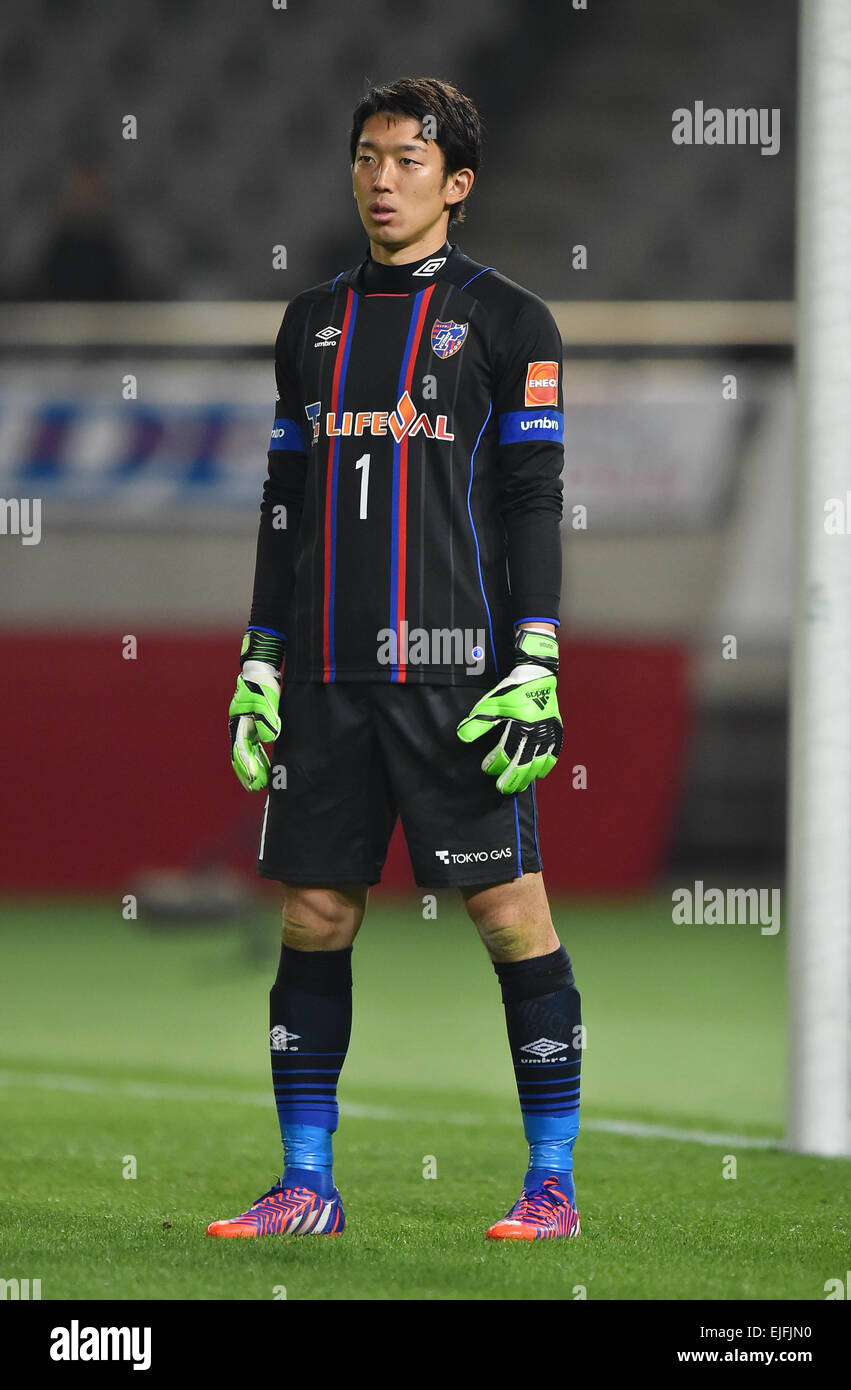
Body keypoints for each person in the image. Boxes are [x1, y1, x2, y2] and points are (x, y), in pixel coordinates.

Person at [207, 76, 582, 1242]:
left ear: (456, 184)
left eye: (409, 161)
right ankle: (306, 1184)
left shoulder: (511, 322)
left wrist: (536, 654)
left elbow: (531, 499)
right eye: (367, 157)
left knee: (511, 915)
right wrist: (261, 653)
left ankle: (551, 1184)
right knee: (314, 915)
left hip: (455, 674)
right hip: (323, 673)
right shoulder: (309, 324)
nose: (382, 179)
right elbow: (284, 501)